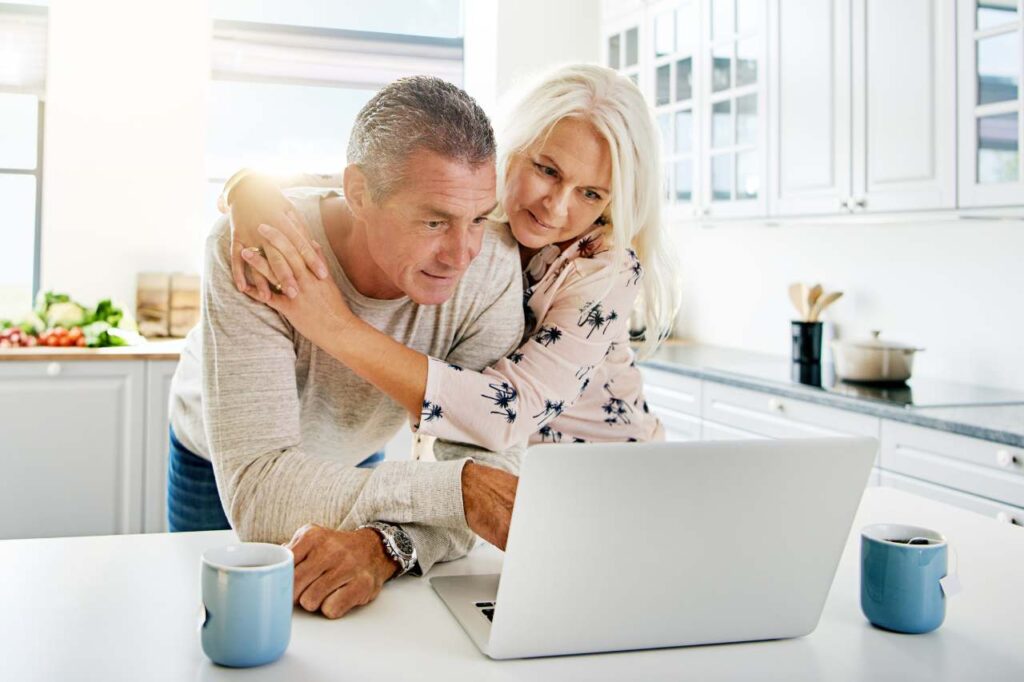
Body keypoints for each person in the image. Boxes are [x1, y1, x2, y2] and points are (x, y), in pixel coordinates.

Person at [167, 76, 524, 621]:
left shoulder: (494, 272)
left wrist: (388, 544)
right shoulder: (258, 246)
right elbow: (259, 494)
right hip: (221, 462)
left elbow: (491, 486)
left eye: (478, 218)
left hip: (357, 456)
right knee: (215, 628)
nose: (462, 253)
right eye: (434, 221)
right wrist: (460, 491)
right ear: (358, 193)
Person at [227, 64, 681, 452]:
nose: (556, 207)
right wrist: (248, 188)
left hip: (610, 467)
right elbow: (380, 184)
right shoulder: (476, 203)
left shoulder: (605, 268)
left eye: (590, 193)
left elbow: (510, 411)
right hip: (506, 474)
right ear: (512, 147)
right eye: (547, 170)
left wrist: (333, 325)